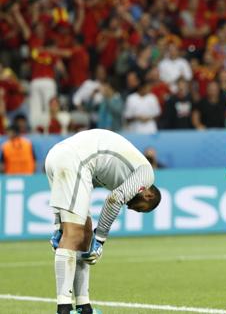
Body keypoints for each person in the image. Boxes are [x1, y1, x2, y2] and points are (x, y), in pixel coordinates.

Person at [46, 129, 162, 314]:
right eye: (140, 208)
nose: (131, 209)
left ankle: (84, 307)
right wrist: (99, 240)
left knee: (84, 233)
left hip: (57, 156)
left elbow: (75, 191)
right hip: (74, 159)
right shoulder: (147, 174)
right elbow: (115, 199)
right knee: (75, 234)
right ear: (148, 194)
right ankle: (64, 307)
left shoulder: (120, 175)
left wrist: (60, 224)